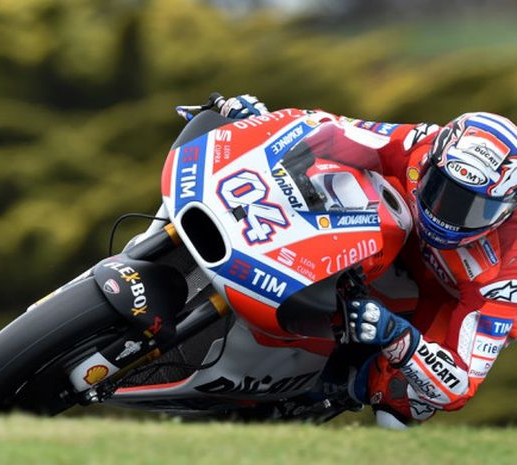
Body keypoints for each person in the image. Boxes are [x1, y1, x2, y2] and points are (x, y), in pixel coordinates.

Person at [219, 95, 517, 427]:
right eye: (438, 188)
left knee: (408, 397)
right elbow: (333, 132)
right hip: (396, 242)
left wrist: (394, 333)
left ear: (505, 209)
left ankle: (341, 389)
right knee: (348, 181)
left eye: (471, 208)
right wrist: (261, 124)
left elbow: (458, 387)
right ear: (433, 161)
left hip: (449, 303)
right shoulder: (420, 144)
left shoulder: (508, 275)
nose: (444, 215)